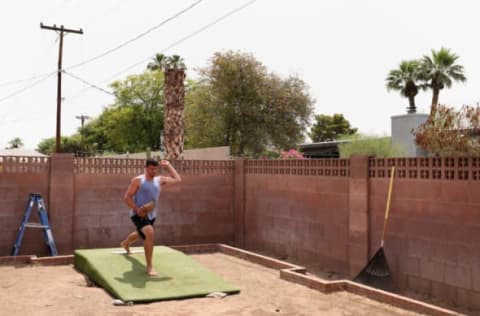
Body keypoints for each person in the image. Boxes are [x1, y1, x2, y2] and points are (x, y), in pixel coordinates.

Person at [120, 158, 181, 276]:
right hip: (138, 214)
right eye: (151, 169)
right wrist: (137, 209)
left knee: (140, 233)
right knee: (149, 232)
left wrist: (168, 166)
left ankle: (125, 243)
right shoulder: (138, 180)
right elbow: (127, 197)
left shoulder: (160, 180)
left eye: (155, 169)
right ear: (146, 168)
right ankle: (149, 267)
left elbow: (178, 179)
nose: (153, 171)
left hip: (152, 215)